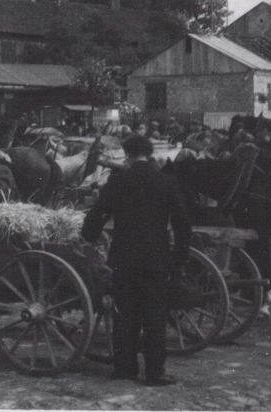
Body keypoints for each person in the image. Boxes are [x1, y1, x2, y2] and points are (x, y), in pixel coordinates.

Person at [81, 134, 192, 386]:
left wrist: (88, 237)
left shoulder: (118, 181)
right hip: (156, 256)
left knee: (125, 312)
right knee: (155, 314)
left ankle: (125, 368)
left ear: (127, 154)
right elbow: (183, 224)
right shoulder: (166, 181)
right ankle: (155, 372)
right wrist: (178, 258)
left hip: (123, 256)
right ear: (149, 153)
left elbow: (97, 215)